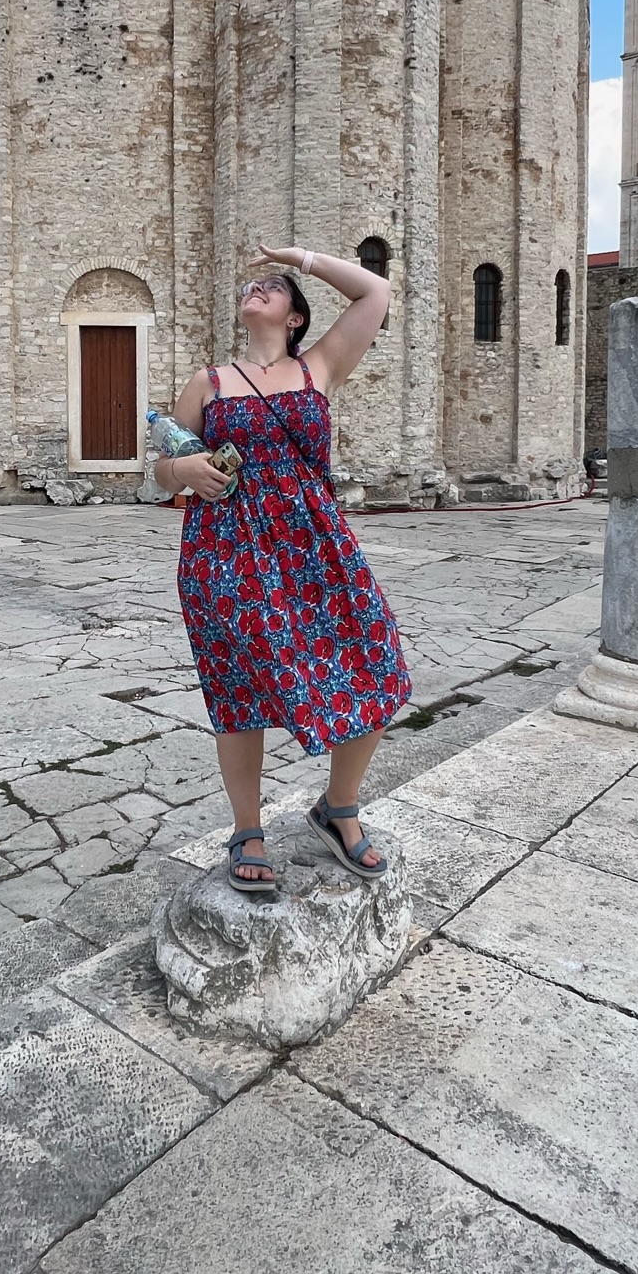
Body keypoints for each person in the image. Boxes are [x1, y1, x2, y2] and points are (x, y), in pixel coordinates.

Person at [154, 243, 409, 895]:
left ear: (296, 316)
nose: (259, 288)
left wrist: (301, 257)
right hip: (225, 553)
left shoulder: (318, 365)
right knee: (239, 689)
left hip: (314, 545)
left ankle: (338, 806)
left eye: (275, 286)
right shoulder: (208, 383)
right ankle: (248, 830)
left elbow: (375, 295)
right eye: (254, 284)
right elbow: (160, 469)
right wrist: (185, 469)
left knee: (375, 653)